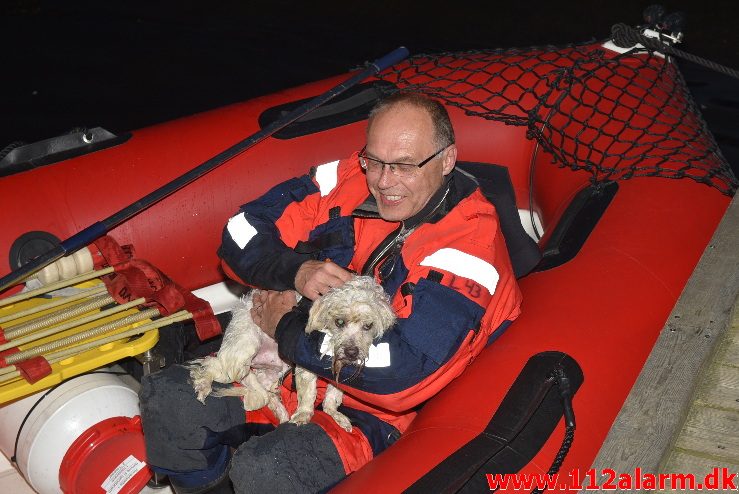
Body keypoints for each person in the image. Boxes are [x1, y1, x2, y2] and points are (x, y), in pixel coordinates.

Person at [139, 92, 523, 493]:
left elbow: (403, 373)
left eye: (405, 166)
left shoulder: (469, 247)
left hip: (372, 413)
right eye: (374, 160)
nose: (384, 181)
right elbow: (241, 229)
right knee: (170, 400)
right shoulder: (345, 180)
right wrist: (296, 269)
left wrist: (287, 328)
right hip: (291, 374)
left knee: (269, 468)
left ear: (446, 160)